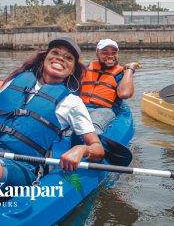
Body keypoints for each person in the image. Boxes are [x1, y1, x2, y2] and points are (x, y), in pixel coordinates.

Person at [0, 37, 104, 187]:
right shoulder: (15, 81)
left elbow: (98, 149)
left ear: (72, 70)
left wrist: (81, 149)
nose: (60, 58)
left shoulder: (72, 102)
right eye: (55, 52)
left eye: (68, 58)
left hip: (22, 167)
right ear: (45, 58)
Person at [81, 39, 141, 133]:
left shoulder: (120, 73)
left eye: (114, 53)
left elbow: (125, 94)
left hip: (104, 110)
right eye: (105, 53)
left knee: (92, 127)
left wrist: (130, 69)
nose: (110, 56)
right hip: (81, 107)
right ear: (97, 54)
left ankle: (93, 142)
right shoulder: (88, 68)